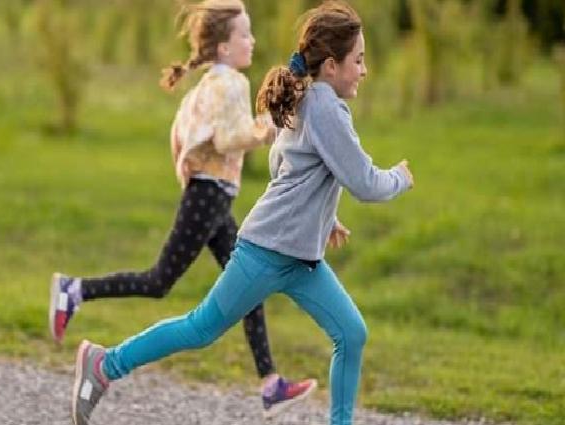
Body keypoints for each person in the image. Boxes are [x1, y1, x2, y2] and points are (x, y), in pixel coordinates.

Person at [69, 1, 415, 424]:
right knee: (200, 328)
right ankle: (105, 365)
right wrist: (398, 177)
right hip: (267, 253)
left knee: (351, 333)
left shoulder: (308, 99)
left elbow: (286, 165)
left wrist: (325, 218)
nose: (364, 70)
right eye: (358, 60)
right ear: (330, 66)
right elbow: (363, 181)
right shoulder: (324, 106)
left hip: (301, 259)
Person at [50, 0, 316, 418]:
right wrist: (267, 129)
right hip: (209, 197)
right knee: (160, 281)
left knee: (249, 286)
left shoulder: (208, 84)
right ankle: (76, 291)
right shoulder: (231, 84)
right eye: (245, 34)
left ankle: (270, 383)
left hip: (211, 196)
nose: (253, 41)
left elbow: (181, 138)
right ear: (224, 48)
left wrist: (197, 165)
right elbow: (230, 138)